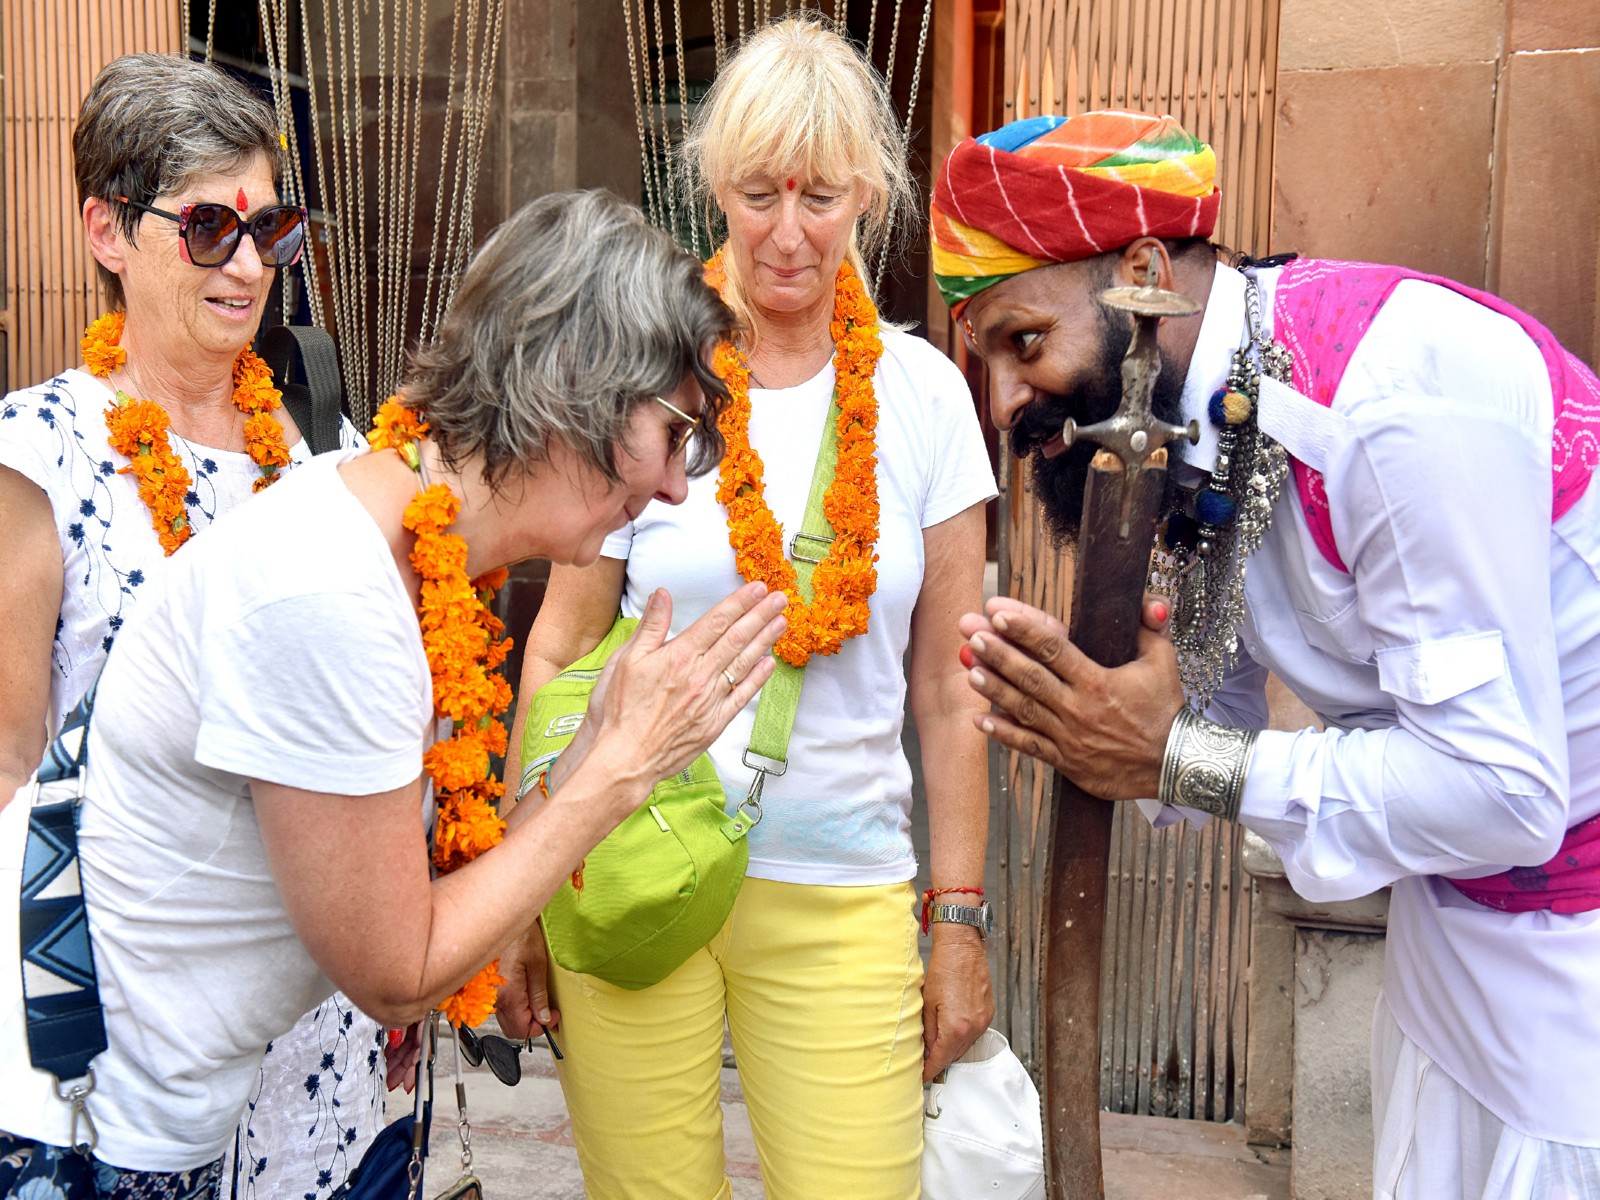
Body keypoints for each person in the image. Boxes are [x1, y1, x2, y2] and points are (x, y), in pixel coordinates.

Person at [0, 188, 790, 1199]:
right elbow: (396, 968)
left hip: (146, 1114)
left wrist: (593, 751)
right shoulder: (330, 582)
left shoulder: (413, 551)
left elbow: (408, 915)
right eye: (676, 428)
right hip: (58, 1124)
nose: (682, 485)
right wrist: (618, 771)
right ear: (571, 385)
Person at [932, 110, 1600, 1197]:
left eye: (1022, 344)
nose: (1006, 406)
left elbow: (1506, 790)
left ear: (1143, 272)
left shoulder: (1392, 406)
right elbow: (1209, 729)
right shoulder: (1214, 414)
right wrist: (1104, 716)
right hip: (1453, 941)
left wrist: (1174, 756)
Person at [495, 17, 997, 1200]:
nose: (785, 231)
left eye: (819, 195)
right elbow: (560, 640)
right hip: (626, 865)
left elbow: (949, 686)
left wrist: (960, 918)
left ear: (866, 196)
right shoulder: (639, 379)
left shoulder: (923, 397)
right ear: (714, 183)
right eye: (758, 191)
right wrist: (518, 890)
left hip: (841, 893)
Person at [0, 54, 384, 1199]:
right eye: (209, 228)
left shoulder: (332, 457)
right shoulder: (43, 455)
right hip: (130, 1055)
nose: (250, 263)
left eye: (270, 226)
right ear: (108, 232)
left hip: (322, 1047)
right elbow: (10, 768)